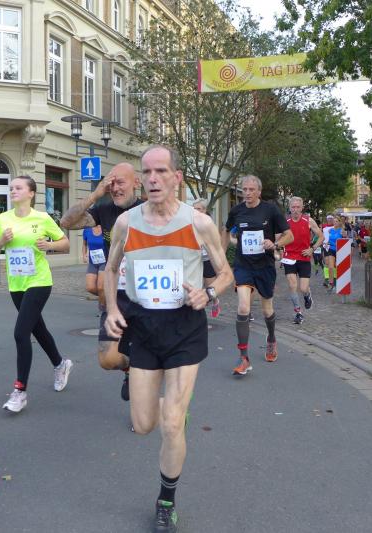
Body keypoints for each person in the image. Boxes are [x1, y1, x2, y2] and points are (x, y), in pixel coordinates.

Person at [104, 145, 233, 533]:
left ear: (177, 177)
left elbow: (226, 274)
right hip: (143, 326)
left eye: (161, 171)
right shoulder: (126, 223)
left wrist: (208, 293)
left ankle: (165, 501)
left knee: (172, 425)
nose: (153, 178)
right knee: (144, 423)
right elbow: (110, 270)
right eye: (147, 172)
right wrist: (112, 309)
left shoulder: (198, 223)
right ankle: (174, 407)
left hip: (184, 326)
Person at [0, 175, 72, 413]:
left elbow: (65, 243)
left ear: (31, 193)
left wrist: (49, 245)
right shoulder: (2, 219)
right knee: (38, 329)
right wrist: (2, 240)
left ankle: (20, 391)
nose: (13, 190)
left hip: (39, 281)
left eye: (18, 187)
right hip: (17, 284)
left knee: (21, 333)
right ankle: (60, 364)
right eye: (11, 188)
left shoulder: (42, 218)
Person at [60, 163, 143, 402]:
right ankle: (132, 368)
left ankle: (146, 380)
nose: (115, 188)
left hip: (146, 295)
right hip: (116, 295)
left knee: (154, 354)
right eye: (111, 183)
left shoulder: (148, 209)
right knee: (107, 359)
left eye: (121, 182)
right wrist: (96, 195)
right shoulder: (104, 209)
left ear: (136, 183)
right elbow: (67, 222)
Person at [225, 175, 293, 375]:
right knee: (243, 307)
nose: (247, 193)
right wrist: (222, 256)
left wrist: (275, 244)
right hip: (243, 266)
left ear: (259, 192)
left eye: (251, 190)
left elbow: (289, 235)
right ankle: (243, 358)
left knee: (266, 309)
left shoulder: (270, 210)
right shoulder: (237, 211)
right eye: (244, 189)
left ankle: (271, 338)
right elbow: (226, 231)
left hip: (264, 266)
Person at [282, 197, 323, 324]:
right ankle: (298, 313)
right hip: (289, 257)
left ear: (302, 208)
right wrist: (276, 248)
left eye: (298, 207)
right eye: (293, 207)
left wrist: (312, 249)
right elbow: (277, 238)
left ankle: (307, 295)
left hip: (304, 256)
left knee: (303, 288)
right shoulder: (284, 222)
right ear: (289, 208)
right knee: (292, 285)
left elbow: (321, 236)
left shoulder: (308, 220)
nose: (295, 210)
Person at [192, 198, 222, 318]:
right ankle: (198, 315)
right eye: (194, 209)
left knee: (211, 288)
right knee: (195, 287)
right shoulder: (189, 222)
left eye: (198, 209)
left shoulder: (209, 223)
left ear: (204, 210)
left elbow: (216, 241)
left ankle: (215, 301)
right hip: (194, 259)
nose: (196, 211)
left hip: (207, 258)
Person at [82, 224, 106, 309]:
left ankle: (104, 309)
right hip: (93, 262)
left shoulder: (106, 229)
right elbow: (84, 244)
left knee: (101, 288)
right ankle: (109, 298)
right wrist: (84, 255)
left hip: (105, 261)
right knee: (90, 288)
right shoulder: (87, 230)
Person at [325, 216, 345, 292]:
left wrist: (344, 235)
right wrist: (327, 243)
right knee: (330, 267)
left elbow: (345, 239)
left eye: (336, 221)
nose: (335, 223)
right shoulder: (330, 230)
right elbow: (330, 239)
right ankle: (331, 284)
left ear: (339, 222)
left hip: (340, 250)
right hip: (331, 249)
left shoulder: (341, 230)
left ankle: (339, 282)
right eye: (334, 221)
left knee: (338, 267)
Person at [321, 214, 335, 287]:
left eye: (331, 218)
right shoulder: (324, 227)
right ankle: (326, 278)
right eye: (328, 218)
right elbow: (321, 235)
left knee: (332, 264)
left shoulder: (335, 227)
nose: (330, 220)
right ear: (327, 219)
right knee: (326, 263)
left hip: (332, 246)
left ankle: (333, 278)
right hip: (325, 246)